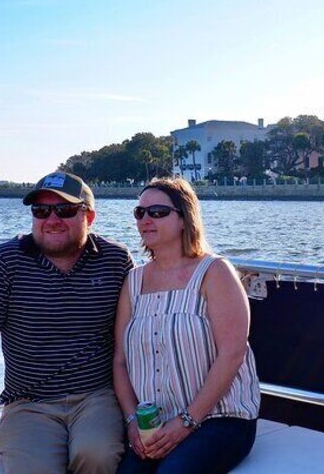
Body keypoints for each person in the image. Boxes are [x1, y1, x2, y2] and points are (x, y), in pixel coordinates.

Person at [0, 172, 134, 473]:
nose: (51, 219)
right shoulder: (3, 263)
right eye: (41, 211)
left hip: (97, 396)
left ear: (89, 216)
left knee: (98, 455)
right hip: (28, 403)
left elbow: (138, 337)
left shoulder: (115, 260)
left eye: (65, 210)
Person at [114, 177, 260, 474]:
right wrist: (132, 422)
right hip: (154, 425)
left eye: (157, 212)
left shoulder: (214, 272)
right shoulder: (134, 281)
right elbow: (119, 361)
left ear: (184, 218)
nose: (145, 220)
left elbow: (232, 353)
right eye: (139, 213)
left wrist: (186, 422)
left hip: (219, 419)